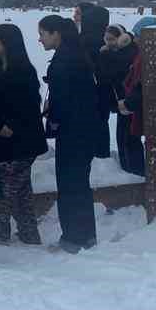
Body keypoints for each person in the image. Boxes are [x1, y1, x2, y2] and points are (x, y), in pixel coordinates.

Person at [39, 14, 98, 252]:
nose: (40, 39)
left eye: (43, 34)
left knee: (70, 184)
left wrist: (52, 120)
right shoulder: (77, 54)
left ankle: (73, 238)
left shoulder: (65, 60)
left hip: (72, 132)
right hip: (83, 130)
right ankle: (85, 235)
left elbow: (64, 100)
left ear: (56, 34)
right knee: (80, 184)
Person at [0, 23, 45, 245]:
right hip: (5, 139)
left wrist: (9, 124)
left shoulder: (22, 69)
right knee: (21, 190)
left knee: (7, 185)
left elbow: (29, 105)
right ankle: (29, 233)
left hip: (21, 140)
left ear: (8, 43)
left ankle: (0, 228)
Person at [97, 25, 144, 176]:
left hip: (129, 102)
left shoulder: (128, 51)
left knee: (129, 139)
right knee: (122, 138)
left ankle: (135, 172)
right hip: (122, 102)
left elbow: (116, 71)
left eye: (112, 39)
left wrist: (105, 57)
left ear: (122, 39)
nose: (109, 43)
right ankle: (127, 169)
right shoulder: (115, 52)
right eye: (107, 39)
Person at [75, 2, 113, 160]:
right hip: (103, 92)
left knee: (92, 126)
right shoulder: (107, 40)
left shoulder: (86, 41)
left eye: (78, 14)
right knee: (102, 125)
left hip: (90, 93)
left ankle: (97, 158)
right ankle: (102, 157)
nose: (75, 17)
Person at [115, 33, 146, 178]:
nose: (136, 39)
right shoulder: (140, 54)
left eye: (139, 35)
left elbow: (140, 85)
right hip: (132, 104)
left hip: (133, 106)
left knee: (131, 140)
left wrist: (128, 104)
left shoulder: (142, 56)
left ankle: (136, 174)